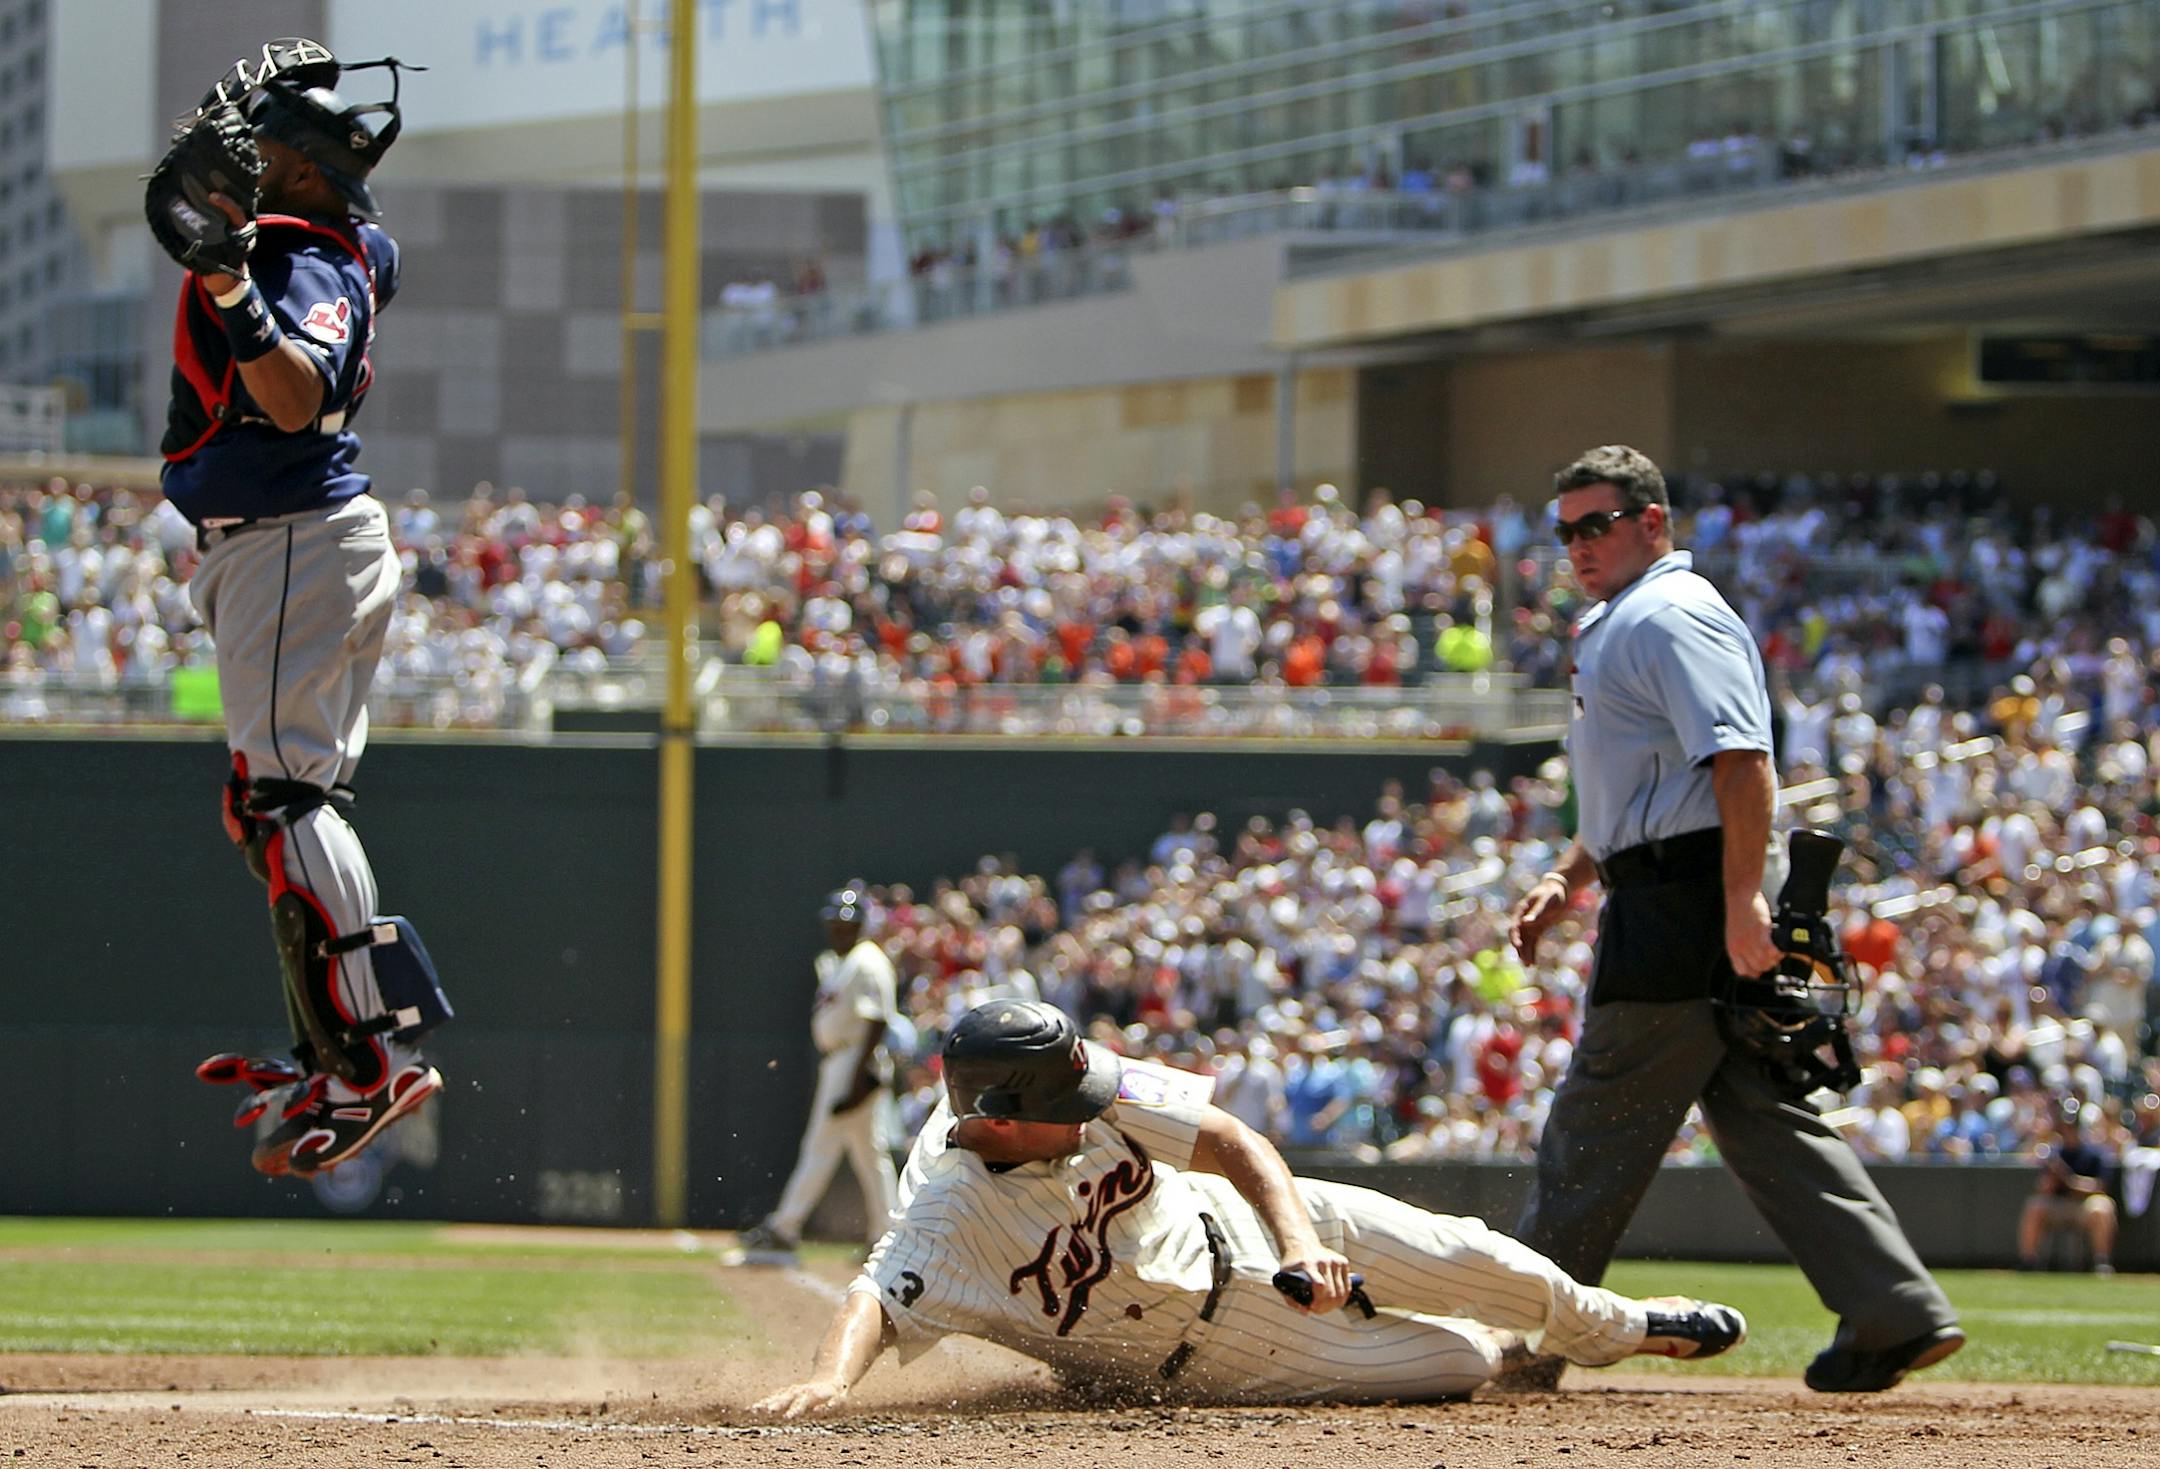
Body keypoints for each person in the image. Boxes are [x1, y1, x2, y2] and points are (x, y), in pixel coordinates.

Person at [1507, 445, 1960, 1394]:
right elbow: (1636, 791)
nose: (1578, 544)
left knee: (1594, 1129)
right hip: (1667, 884)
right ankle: (1892, 1307)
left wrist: (1740, 898)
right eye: (1566, 530)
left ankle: (1520, 1338)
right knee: (1764, 1116)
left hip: (1684, 905)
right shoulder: (1621, 619)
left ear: (1651, 523)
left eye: (1596, 523)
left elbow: (1741, 759)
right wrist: (1568, 873)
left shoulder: (1671, 612)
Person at [752, 1000, 1747, 1417]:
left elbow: (1232, 1141)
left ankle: (1617, 1326)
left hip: (1266, 1222)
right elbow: (877, 1292)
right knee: (1464, 1362)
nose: (1096, 1106)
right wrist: (829, 1382)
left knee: (1490, 1254)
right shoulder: (950, 1203)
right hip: (1229, 1353)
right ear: (999, 1120)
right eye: (1070, 1105)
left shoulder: (1075, 1076)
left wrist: (1301, 1240)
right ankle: (1511, 1347)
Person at [163, 49, 450, 1178]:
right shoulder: (325, 241)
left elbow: (297, 398)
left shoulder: (306, 256)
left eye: (273, 149)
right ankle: (342, 1044)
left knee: (286, 798)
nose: (249, 160)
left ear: (317, 174)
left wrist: (235, 287)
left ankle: (370, 1055)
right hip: (281, 546)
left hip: (292, 535)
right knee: (272, 802)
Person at [735, 887, 901, 1260]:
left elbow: (877, 1021)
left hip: (854, 1061)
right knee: (869, 1155)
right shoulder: (843, 961)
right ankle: (888, 1235)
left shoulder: (867, 961)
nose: (838, 930)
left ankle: (785, 1227)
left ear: (860, 925)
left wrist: (859, 1079)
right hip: (845, 1059)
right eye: (834, 923)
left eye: (846, 923)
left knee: (821, 1147)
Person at [2018, 1109, 2119, 1275]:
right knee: (2035, 1205)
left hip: (2084, 1205)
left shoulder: (2095, 1153)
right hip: (2060, 1204)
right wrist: (2052, 1177)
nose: (2067, 1131)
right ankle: (2029, 1261)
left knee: (2102, 1207)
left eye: (2071, 1127)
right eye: (2064, 1127)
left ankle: (2102, 1262)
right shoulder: (2055, 1153)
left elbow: (2101, 1187)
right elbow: (2043, 1188)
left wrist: (2069, 1180)